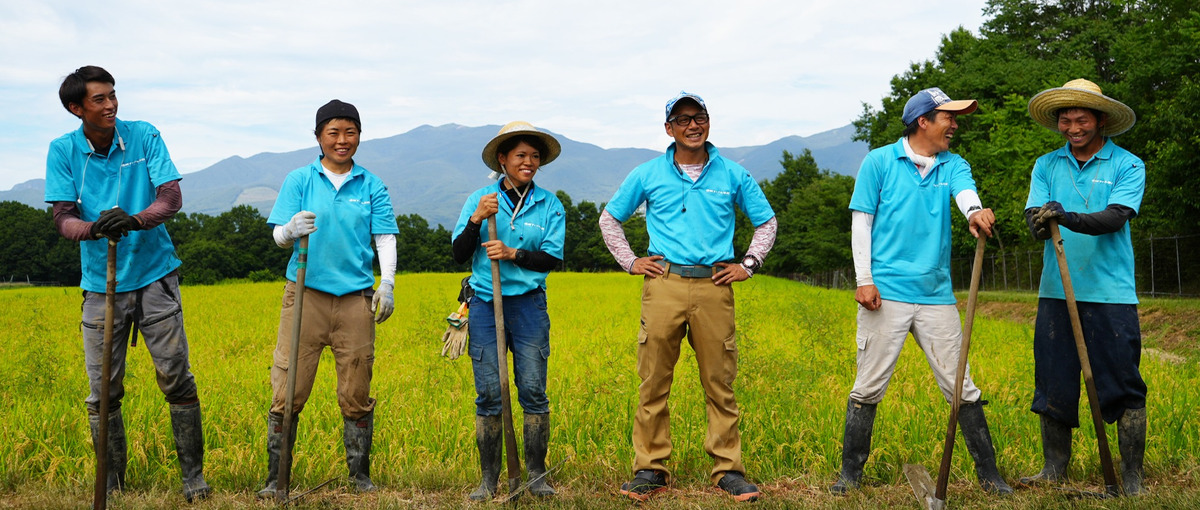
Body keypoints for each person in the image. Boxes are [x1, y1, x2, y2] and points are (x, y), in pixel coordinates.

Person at [832, 87, 1011, 495]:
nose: (955, 124)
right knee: (869, 385)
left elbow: (966, 195)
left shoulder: (953, 164)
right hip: (886, 293)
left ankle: (990, 475)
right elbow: (862, 222)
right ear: (923, 121)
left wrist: (975, 212)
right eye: (948, 117)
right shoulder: (879, 161)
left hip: (935, 295)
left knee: (961, 385)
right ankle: (850, 477)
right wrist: (864, 280)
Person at [44, 65, 211, 502]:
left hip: (156, 274)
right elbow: (63, 218)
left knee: (176, 378)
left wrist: (135, 220)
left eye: (113, 95)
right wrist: (94, 229)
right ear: (75, 108)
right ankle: (112, 484)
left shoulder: (143, 135)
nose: (111, 104)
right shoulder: (63, 150)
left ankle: (193, 479)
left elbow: (170, 198)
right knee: (103, 390)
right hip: (101, 282)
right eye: (99, 99)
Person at [599, 92, 775, 503]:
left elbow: (766, 222)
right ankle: (650, 468)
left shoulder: (733, 174)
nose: (693, 125)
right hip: (665, 283)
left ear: (709, 123)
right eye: (683, 119)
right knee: (654, 381)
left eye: (700, 117)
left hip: (715, 286)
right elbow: (610, 219)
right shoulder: (647, 174)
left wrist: (748, 264)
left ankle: (728, 470)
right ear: (669, 129)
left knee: (720, 382)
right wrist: (630, 261)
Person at [257, 100, 399, 497]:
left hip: (355, 299)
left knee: (356, 391)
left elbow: (384, 237)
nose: (342, 140)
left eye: (350, 132)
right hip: (304, 296)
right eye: (333, 132)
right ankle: (276, 480)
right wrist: (289, 230)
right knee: (289, 390)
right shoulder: (300, 179)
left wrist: (386, 283)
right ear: (318, 136)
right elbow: (276, 235)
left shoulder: (371, 184)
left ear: (359, 136)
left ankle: (359, 477)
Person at [1020, 79, 1147, 495]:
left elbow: (1114, 218)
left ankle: (1131, 478)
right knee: (1053, 381)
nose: (1072, 127)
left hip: (1110, 294)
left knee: (1123, 383)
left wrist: (1066, 216)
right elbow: (1035, 219)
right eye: (1065, 120)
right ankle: (1054, 468)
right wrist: (1040, 222)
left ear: (1101, 121)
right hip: (1057, 292)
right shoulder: (1047, 165)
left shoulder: (1127, 165)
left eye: (1081, 119)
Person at [452, 121, 566, 500]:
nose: (529, 162)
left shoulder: (549, 204)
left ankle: (536, 475)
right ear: (503, 159)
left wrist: (513, 253)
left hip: (529, 305)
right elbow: (457, 253)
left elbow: (552, 258)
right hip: (486, 303)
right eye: (521, 156)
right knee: (489, 393)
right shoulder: (481, 199)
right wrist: (476, 220)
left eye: (534, 157)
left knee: (533, 390)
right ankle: (488, 480)